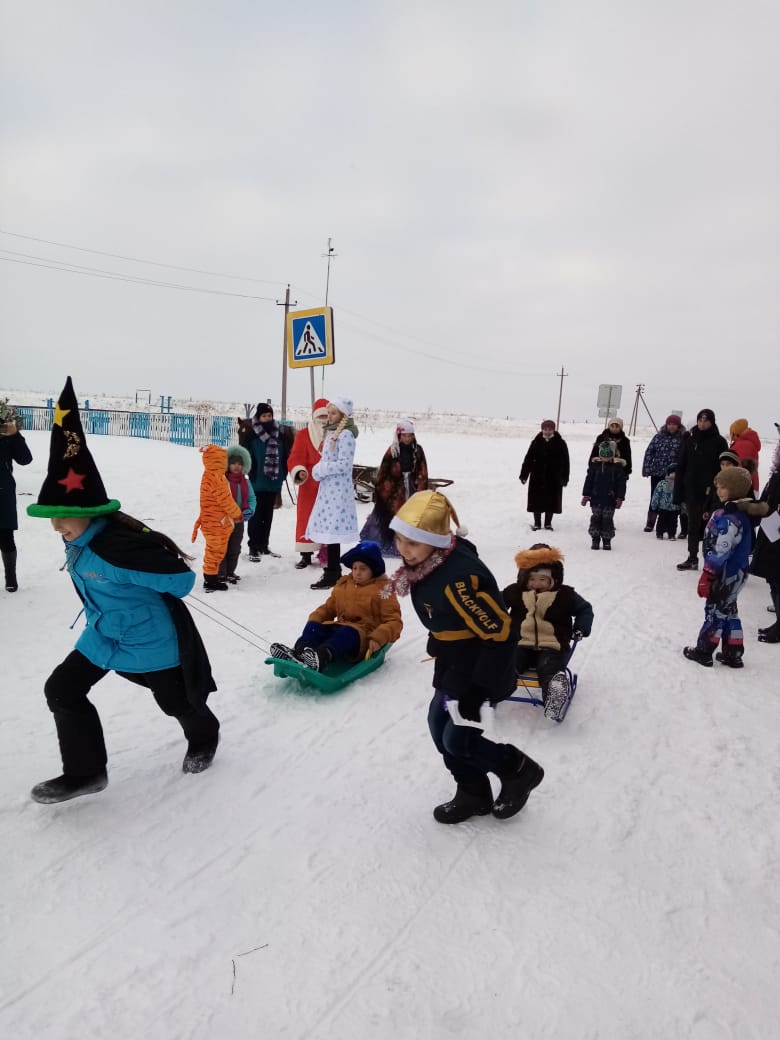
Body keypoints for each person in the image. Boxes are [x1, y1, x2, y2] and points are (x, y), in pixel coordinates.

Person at [26, 377, 220, 804]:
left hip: (150, 638)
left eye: (62, 516)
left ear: (89, 511)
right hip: (104, 633)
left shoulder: (117, 547)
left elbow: (181, 582)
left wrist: (138, 572)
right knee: (62, 689)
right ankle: (86, 773)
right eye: (52, 517)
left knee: (175, 702)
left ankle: (205, 736)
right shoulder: (79, 543)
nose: (56, 526)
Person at [385, 490, 544, 825]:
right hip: (454, 661)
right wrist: (440, 638)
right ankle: (473, 792)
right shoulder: (430, 561)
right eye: (399, 539)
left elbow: (501, 634)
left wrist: (479, 690)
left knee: (458, 738)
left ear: (435, 541)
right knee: (437, 725)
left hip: (479, 668)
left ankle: (518, 769)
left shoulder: (457, 580)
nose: (403, 549)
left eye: (412, 543)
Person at [269, 541, 403, 671]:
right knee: (316, 628)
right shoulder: (344, 585)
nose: (357, 572)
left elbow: (394, 621)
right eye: (355, 568)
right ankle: (298, 652)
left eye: (363, 569)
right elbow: (329, 608)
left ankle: (321, 658)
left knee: (346, 633)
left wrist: (377, 638)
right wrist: (315, 619)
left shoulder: (383, 590)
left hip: (362, 636)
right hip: (339, 628)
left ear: (373, 570)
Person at [501, 544, 593, 720]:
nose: (536, 584)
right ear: (524, 578)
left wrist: (581, 627)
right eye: (531, 579)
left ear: (554, 579)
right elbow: (494, 605)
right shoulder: (514, 592)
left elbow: (585, 609)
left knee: (549, 667)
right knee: (509, 663)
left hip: (553, 646)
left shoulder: (565, 595)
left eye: (543, 579)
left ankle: (554, 696)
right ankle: (491, 689)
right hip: (520, 643)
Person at [683, 466, 754, 668]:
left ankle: (704, 651)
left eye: (724, 487)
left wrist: (708, 574)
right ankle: (733, 652)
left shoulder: (730, 519)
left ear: (736, 489)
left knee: (715, 611)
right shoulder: (739, 514)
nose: (719, 491)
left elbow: (721, 550)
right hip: (738, 572)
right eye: (718, 487)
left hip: (725, 574)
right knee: (730, 611)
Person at [306, 396, 359, 590]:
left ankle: (333, 573)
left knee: (333, 533)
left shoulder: (346, 435)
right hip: (329, 489)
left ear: (343, 415)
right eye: (328, 413)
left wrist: (322, 469)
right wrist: (319, 470)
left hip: (338, 491)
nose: (329, 416)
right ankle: (332, 571)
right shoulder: (332, 433)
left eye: (334, 413)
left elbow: (344, 464)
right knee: (329, 531)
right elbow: (329, 459)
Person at [360, 419, 429, 554]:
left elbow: (422, 469)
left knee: (411, 515)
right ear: (398, 436)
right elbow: (384, 471)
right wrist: (386, 490)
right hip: (394, 490)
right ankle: (386, 544)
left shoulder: (418, 450)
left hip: (412, 487)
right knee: (390, 514)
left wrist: (420, 488)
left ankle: (411, 544)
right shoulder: (392, 451)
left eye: (410, 435)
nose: (407, 439)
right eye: (404, 436)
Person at [674, 408, 728, 571]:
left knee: (712, 527)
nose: (702, 424)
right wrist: (679, 489)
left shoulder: (719, 441)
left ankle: (713, 561)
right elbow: (681, 464)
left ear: (712, 422)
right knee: (693, 526)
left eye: (706, 421)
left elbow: (724, 467)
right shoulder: (690, 440)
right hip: (692, 489)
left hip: (712, 491)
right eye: (700, 420)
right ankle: (692, 557)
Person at [239, 402, 294, 560]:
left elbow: (285, 455)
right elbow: (245, 455)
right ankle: (253, 547)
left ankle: (264, 545)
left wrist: (283, 473)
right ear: (259, 417)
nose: (267, 418)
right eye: (264, 416)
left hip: (273, 481)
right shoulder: (252, 434)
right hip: (257, 480)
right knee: (256, 515)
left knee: (268, 515)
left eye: (269, 415)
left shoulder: (280, 434)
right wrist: (251, 471)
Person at [741, 431, 780, 643]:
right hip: (771, 531)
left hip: (777, 534)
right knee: (773, 577)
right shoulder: (777, 474)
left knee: (777, 577)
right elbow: (768, 502)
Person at [192, 444, 242, 592]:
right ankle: (210, 580)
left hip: (212, 519)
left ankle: (211, 577)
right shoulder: (216, 478)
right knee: (215, 550)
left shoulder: (209, 474)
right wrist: (236, 513)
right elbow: (225, 500)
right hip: (215, 522)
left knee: (214, 549)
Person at [287, 398, 329, 568]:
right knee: (306, 518)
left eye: (326, 416)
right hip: (309, 485)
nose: (323, 420)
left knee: (327, 520)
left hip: (329, 487)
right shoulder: (303, 435)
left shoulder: (336, 435)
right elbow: (296, 457)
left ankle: (326, 552)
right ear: (314, 417)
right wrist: (299, 471)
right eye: (320, 416)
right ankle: (306, 554)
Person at [0, 399, 33, 592]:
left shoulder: (6, 435)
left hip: (2, 493)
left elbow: (25, 459)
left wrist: (15, 436)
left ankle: (10, 577)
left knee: (5, 536)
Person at [519, 419, 570, 531]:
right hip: (537, 476)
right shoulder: (536, 442)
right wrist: (524, 475)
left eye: (550, 429)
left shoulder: (560, 443)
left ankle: (548, 523)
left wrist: (565, 477)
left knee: (551, 500)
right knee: (536, 500)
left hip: (554, 477)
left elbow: (566, 462)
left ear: (553, 430)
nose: (547, 431)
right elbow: (528, 459)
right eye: (545, 429)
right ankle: (537, 523)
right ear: (542, 429)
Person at [218, 444, 255, 584]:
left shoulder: (245, 482)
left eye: (239, 464)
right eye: (233, 463)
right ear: (227, 464)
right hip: (223, 521)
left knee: (234, 548)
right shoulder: (222, 480)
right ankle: (221, 573)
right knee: (222, 547)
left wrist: (249, 509)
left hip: (238, 521)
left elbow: (251, 498)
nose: (236, 466)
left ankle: (230, 572)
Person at [581, 440, 628, 550]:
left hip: (610, 499)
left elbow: (621, 484)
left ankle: (607, 540)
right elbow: (589, 480)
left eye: (608, 454)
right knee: (596, 518)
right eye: (603, 454)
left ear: (613, 454)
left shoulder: (617, 467)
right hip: (596, 498)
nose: (605, 457)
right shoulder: (595, 466)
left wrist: (620, 497)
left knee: (607, 519)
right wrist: (586, 495)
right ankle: (595, 539)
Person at [641, 414, 684, 531]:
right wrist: (647, 468)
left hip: (673, 475)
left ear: (678, 426)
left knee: (670, 498)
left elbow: (684, 456)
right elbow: (649, 452)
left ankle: (668, 524)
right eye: (669, 424)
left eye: (674, 424)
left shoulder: (682, 439)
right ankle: (650, 522)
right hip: (657, 472)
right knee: (655, 496)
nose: (671, 426)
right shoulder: (658, 437)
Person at [728, 418, 761, 491]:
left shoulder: (743, 445)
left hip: (742, 487)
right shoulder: (747, 443)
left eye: (731, 433)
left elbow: (740, 469)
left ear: (735, 433)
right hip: (751, 484)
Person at [650, 464, 681, 540]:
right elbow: (657, 494)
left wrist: (683, 507)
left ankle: (672, 534)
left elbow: (682, 496)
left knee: (673, 522)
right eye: (672, 473)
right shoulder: (662, 483)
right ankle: (659, 533)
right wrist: (654, 504)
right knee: (661, 520)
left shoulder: (679, 484)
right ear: (668, 473)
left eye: (676, 473)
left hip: (675, 507)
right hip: (663, 507)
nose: (674, 475)